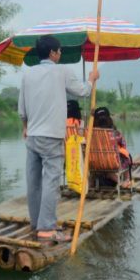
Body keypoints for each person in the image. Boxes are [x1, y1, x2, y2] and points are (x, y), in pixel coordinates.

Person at [18, 35, 99, 243]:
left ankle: (37, 223)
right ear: (53, 53)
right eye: (59, 51)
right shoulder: (62, 71)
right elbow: (82, 91)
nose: (61, 54)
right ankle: (46, 229)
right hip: (52, 137)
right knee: (51, 182)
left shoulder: (27, 75)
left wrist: (25, 127)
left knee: (34, 182)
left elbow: (22, 108)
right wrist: (92, 79)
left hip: (33, 136)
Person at [92, 106, 132, 189]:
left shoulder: (90, 134)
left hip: (95, 163)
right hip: (112, 162)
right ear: (109, 119)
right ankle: (126, 180)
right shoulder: (115, 133)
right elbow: (123, 145)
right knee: (126, 156)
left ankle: (108, 176)